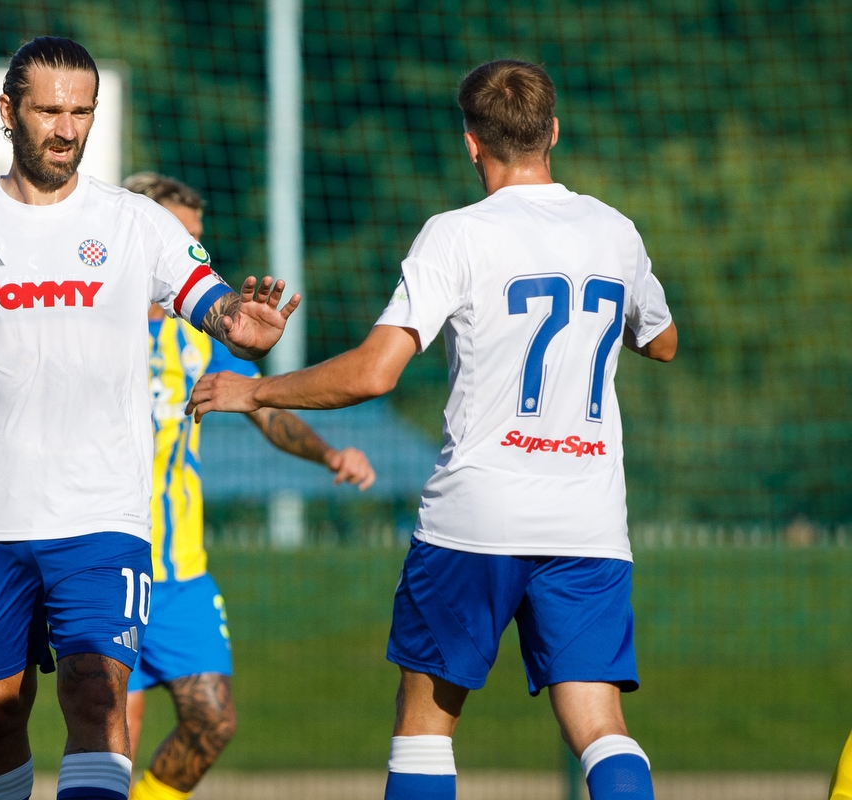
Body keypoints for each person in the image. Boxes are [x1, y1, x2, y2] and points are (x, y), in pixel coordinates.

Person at [0, 36, 298, 800]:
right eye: (48, 111)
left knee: (97, 697)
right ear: (9, 113)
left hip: (102, 518)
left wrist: (244, 320)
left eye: (81, 112)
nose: (66, 128)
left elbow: (213, 302)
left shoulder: (137, 223)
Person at [187, 60, 678, 800]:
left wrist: (255, 389)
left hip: (476, 519)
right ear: (553, 131)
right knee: (601, 727)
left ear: (471, 144)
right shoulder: (614, 231)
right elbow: (663, 341)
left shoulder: (456, 235)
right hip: (587, 521)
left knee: (424, 723)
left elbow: (375, 371)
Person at [120, 172, 376, 800]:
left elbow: (262, 405)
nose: (195, 255)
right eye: (182, 238)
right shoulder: (90, 322)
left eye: (199, 241)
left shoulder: (200, 334)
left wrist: (327, 454)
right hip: (106, 565)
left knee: (213, 722)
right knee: (108, 747)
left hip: (180, 572)